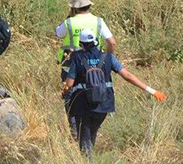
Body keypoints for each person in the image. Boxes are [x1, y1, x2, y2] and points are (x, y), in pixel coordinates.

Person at [63, 29, 166, 157]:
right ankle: (89, 159)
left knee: (84, 137)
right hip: (104, 104)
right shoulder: (108, 57)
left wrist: (65, 92)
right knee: (91, 133)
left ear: (81, 43)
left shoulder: (78, 58)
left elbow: (69, 84)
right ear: (96, 42)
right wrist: (152, 91)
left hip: (82, 105)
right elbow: (127, 76)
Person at [56, 0, 117, 139]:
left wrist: (69, 16)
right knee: (92, 93)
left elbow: (58, 33)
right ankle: (89, 129)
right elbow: (112, 42)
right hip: (94, 67)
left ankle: (75, 130)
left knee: (70, 96)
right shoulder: (98, 21)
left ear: (74, 7)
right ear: (89, 5)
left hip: (70, 65)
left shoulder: (69, 22)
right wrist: (108, 59)